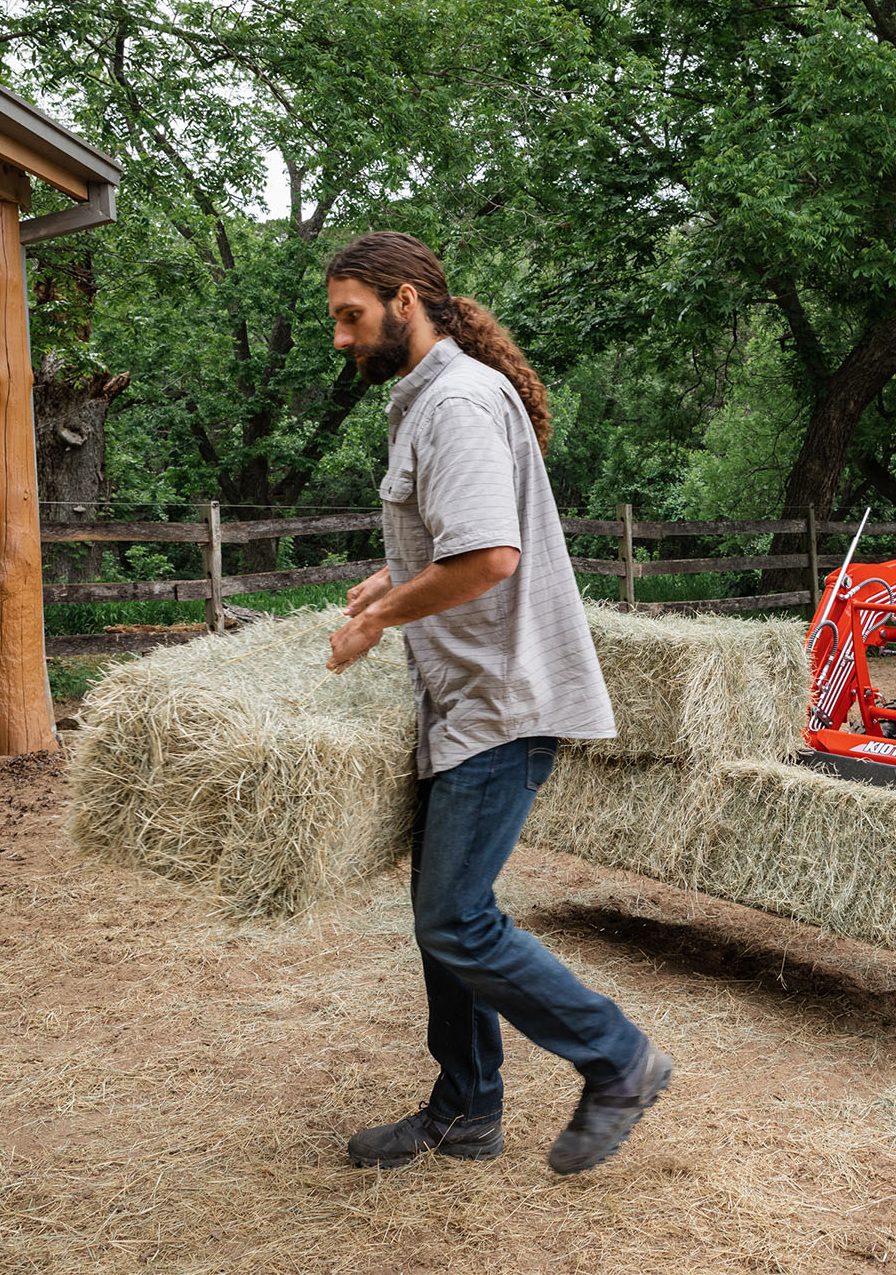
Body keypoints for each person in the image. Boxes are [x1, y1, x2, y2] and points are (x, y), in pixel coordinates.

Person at [322, 230, 670, 1175]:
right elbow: (451, 541)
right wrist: (386, 580)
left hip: (500, 704)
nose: (342, 339)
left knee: (454, 920)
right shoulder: (436, 399)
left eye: (351, 317)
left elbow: (486, 559)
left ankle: (620, 1059)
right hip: (466, 701)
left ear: (404, 300)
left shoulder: (461, 401)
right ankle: (466, 1111)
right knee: (449, 915)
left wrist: (380, 619)